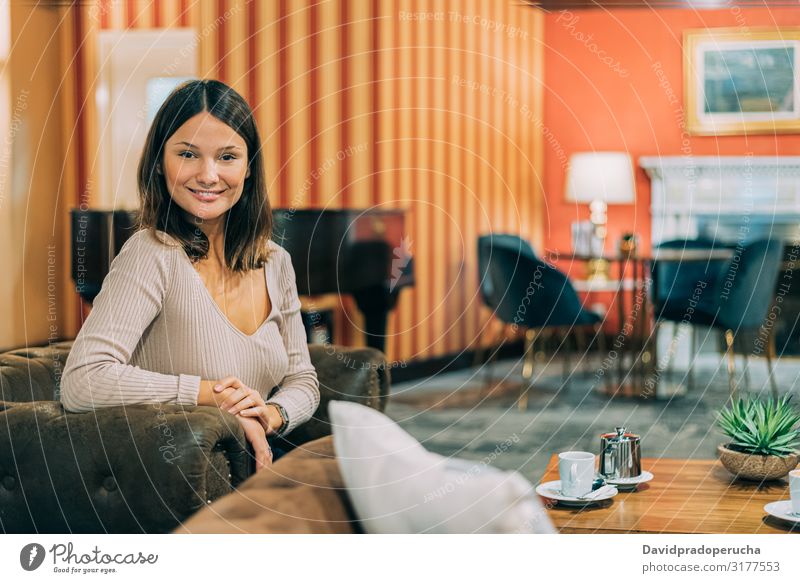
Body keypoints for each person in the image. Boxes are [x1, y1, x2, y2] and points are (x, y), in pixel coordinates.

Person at [61, 79, 320, 470]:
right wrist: (210, 395)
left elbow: (304, 379)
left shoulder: (275, 261)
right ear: (159, 162)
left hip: (258, 461)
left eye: (228, 157)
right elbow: (81, 382)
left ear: (249, 168)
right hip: (181, 476)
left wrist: (270, 413)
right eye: (188, 154)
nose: (208, 175)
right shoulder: (151, 253)